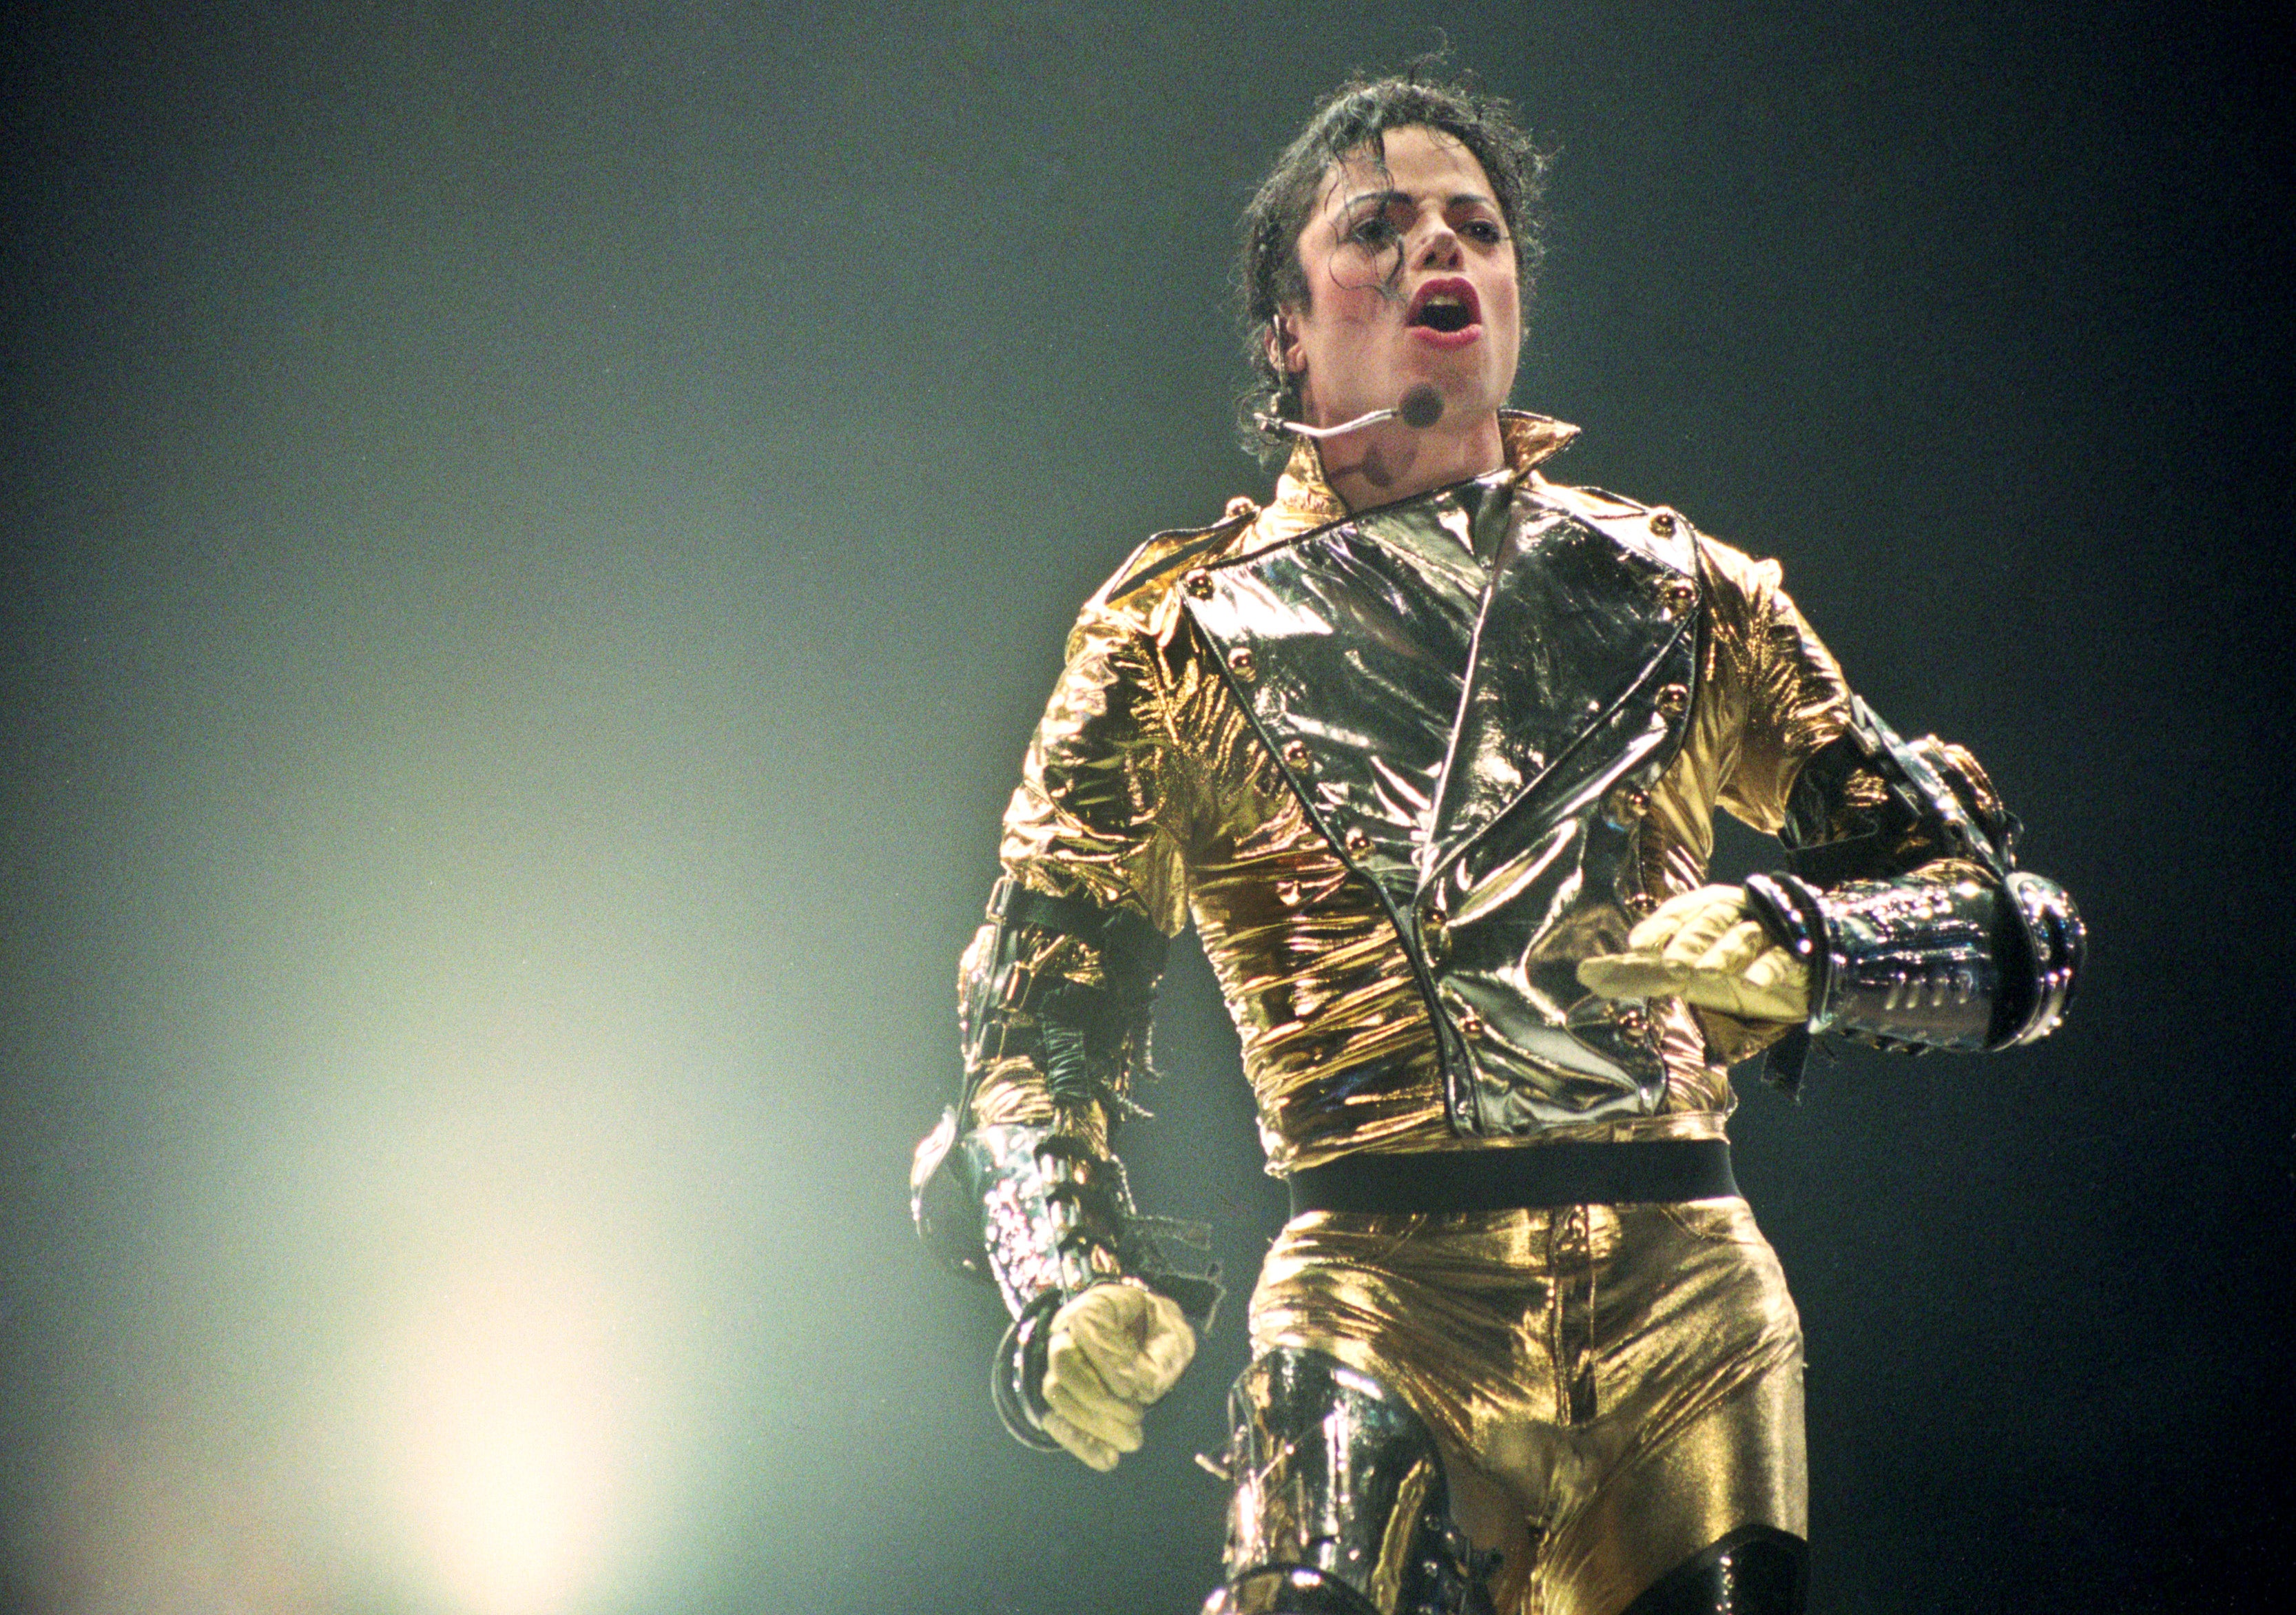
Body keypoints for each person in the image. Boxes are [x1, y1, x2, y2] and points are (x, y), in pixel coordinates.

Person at [911, 66, 2081, 1615]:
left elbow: (2020, 927)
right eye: (1374, 227)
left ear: (1515, 302)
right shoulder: (1173, 633)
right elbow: (1033, 1020)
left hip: (1686, 1291)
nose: (1434, 252)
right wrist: (1058, 1281)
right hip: (1381, 1282)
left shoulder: (1677, 588)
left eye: (1472, 225)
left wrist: (1812, 942)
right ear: (1286, 326)